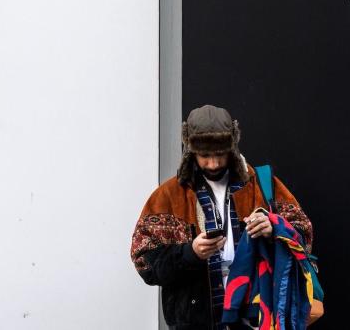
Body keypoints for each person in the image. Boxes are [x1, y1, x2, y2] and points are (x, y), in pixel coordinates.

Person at [130, 105, 313, 330]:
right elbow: (144, 263)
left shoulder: (260, 185)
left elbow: (303, 232)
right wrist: (190, 253)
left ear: (232, 148)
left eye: (220, 154)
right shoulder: (168, 195)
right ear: (190, 150)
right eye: (205, 156)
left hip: (257, 319)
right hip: (198, 322)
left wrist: (274, 228)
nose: (214, 163)